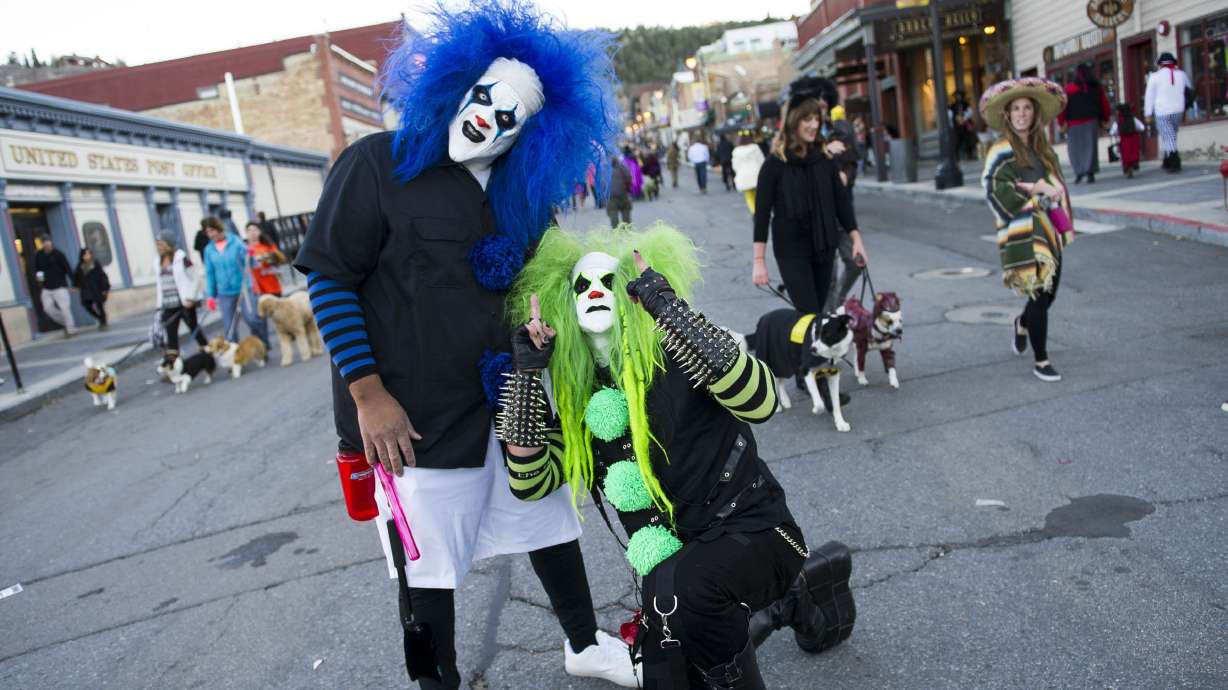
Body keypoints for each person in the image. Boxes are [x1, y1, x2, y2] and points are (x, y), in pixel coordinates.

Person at [292, 3, 635, 688]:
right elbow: (330, 280)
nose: (489, 120)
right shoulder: (375, 164)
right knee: (425, 573)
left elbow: (542, 287)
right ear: (461, 87)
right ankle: (434, 681)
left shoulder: (519, 197)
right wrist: (369, 396)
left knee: (547, 523)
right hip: (410, 422)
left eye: (510, 118)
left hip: (507, 407)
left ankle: (583, 643)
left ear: (527, 137)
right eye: (487, 100)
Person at [499, 226, 853, 689]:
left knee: (676, 599)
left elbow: (762, 400)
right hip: (675, 566)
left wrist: (670, 311)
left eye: (608, 282)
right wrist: (527, 374)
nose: (596, 293)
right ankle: (790, 600)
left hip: (756, 531)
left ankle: (776, 595)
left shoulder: (678, 352)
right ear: (565, 304)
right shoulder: (581, 402)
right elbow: (530, 483)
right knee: (663, 669)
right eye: (582, 287)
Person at [979, 77, 1072, 382]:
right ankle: (1041, 360)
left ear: (1034, 114)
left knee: (1050, 294)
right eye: (1016, 108)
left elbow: (1056, 182)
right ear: (1007, 114)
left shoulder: (1043, 150)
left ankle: (1022, 322)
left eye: (1027, 108)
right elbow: (994, 187)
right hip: (1022, 229)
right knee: (1040, 292)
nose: (1021, 113)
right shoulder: (1000, 150)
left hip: (1048, 227)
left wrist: (1055, 190)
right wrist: (1036, 187)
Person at [752, 77, 868, 318]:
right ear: (794, 122)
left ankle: (815, 354)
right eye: (807, 119)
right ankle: (810, 355)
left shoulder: (824, 161)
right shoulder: (774, 165)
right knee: (809, 314)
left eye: (817, 118)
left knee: (819, 312)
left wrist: (857, 240)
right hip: (791, 251)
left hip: (825, 247)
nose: (814, 124)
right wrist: (759, 261)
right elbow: (762, 215)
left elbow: (841, 205)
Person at [203, 216, 267, 346]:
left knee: (252, 319)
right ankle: (234, 358)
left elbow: (252, 264)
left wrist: (249, 254)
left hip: (243, 288)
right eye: (207, 232)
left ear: (218, 229)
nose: (210, 235)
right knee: (229, 327)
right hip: (224, 292)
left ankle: (262, 345)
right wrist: (210, 296)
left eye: (212, 231)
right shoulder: (208, 250)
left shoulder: (235, 242)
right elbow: (209, 274)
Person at [154, 231, 207, 354]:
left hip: (184, 303)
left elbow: (195, 278)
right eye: (157, 244)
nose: (159, 247)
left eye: (161, 244)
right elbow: (159, 284)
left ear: (169, 244)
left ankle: (208, 356)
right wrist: (159, 305)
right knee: (171, 337)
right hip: (168, 304)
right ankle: (174, 365)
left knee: (195, 330)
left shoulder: (182, 259)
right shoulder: (157, 261)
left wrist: (191, 297)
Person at [1058, 64, 1110, 184]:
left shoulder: (1069, 89)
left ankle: (1079, 172)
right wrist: (1105, 119)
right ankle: (1090, 173)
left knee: (1075, 149)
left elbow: (1062, 107)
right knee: (1091, 148)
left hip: (1073, 123)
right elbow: (1104, 104)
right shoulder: (1096, 87)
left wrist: (1062, 122)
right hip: (1091, 122)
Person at [1145, 53, 1192, 173]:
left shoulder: (1154, 77)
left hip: (1162, 111)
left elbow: (1149, 96)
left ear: (1160, 64)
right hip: (1178, 110)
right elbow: (1189, 90)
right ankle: (1167, 159)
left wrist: (1148, 113)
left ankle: (1174, 161)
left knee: (1168, 136)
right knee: (1171, 135)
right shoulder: (1181, 74)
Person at [32, 235, 75, 336]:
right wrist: (40, 282)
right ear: (42, 244)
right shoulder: (39, 255)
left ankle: (71, 329)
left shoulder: (59, 254)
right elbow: (38, 270)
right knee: (48, 309)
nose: (46, 244)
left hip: (60, 286)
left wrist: (73, 283)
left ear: (51, 242)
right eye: (44, 242)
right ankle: (66, 323)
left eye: (47, 241)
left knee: (65, 308)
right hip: (46, 288)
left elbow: (68, 268)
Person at [244, 222, 285, 297]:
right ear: (246, 233)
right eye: (249, 230)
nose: (252, 233)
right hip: (256, 288)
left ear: (259, 231)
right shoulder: (244, 249)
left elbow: (280, 258)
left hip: (272, 285)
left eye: (255, 230)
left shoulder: (267, 245)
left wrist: (265, 257)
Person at [72, 248, 110, 330]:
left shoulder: (95, 264)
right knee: (86, 305)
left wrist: (104, 288)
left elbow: (102, 276)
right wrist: (76, 286)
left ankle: (103, 323)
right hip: (86, 290)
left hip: (96, 288)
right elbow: (76, 278)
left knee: (99, 306)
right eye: (85, 254)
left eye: (88, 254)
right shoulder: (80, 266)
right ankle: (99, 318)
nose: (87, 256)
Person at [732, 131, 765, 214]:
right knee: (759, 196)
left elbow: (735, 166)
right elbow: (762, 161)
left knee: (749, 197)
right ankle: (760, 211)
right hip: (756, 175)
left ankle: (754, 212)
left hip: (743, 177)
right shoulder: (755, 147)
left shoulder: (736, 151)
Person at [1109, 103, 1144, 178]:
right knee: (1134, 152)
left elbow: (1112, 132)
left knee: (1125, 155)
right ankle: (1135, 163)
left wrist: (1116, 133)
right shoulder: (1133, 118)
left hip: (1124, 140)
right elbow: (1142, 127)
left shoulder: (1119, 121)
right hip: (1134, 139)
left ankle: (1127, 167)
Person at [607, 152, 633, 228]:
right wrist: (628, 189)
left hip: (611, 196)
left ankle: (616, 232)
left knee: (613, 214)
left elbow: (601, 184)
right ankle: (627, 231)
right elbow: (629, 178)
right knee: (626, 212)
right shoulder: (622, 167)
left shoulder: (605, 169)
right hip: (623, 194)